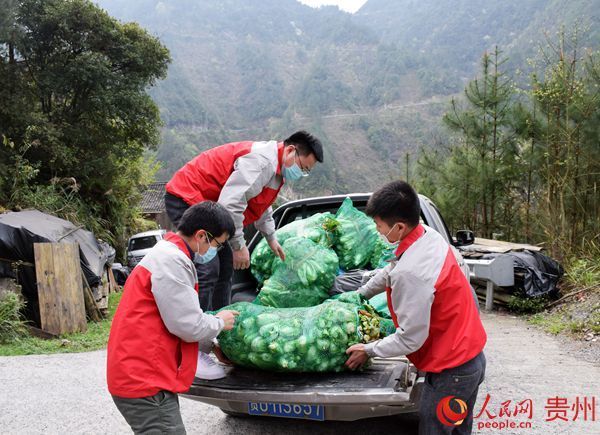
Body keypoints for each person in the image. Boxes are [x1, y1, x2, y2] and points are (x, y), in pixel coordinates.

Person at [345, 181, 487, 435]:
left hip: (452, 371)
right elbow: (391, 269)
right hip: (468, 357)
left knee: (436, 429)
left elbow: (410, 338)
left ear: (398, 227)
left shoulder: (412, 273)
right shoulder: (426, 237)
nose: (378, 231)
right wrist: (360, 294)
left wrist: (368, 350)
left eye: (379, 226)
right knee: (457, 429)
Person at [107, 201, 239, 434]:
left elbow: (173, 317)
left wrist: (208, 345)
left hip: (142, 376)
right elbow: (187, 324)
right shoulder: (172, 261)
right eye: (218, 245)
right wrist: (220, 322)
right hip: (144, 381)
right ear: (201, 236)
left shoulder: (167, 254)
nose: (216, 252)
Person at [164, 130, 324, 312]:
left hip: (213, 210)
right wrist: (239, 246)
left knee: (225, 268)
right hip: (188, 196)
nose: (301, 173)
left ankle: (220, 325)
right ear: (290, 151)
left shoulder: (277, 171)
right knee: (208, 268)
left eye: (305, 172)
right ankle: (199, 330)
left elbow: (260, 205)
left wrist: (271, 238)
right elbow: (231, 204)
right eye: (302, 168)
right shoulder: (262, 162)